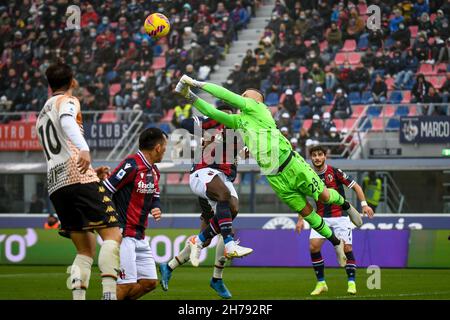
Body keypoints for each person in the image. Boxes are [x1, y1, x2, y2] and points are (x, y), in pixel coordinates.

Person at [175, 75, 366, 267]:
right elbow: (212, 112)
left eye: (245, 95)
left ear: (257, 100)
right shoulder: (240, 121)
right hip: (274, 176)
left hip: (292, 165)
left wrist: (197, 84)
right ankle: (335, 243)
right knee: (308, 213)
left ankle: (346, 205)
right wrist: (189, 96)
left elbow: (226, 95)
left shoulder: (258, 109)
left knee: (324, 197)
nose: (242, 96)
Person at [36, 62, 122, 300]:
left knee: (85, 250)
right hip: (78, 178)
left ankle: (78, 298)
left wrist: (92, 169)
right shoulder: (68, 101)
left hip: (56, 185)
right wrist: (84, 150)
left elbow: (61, 148)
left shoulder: (42, 114)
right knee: (113, 236)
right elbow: (66, 121)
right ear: (72, 81)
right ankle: (109, 295)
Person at [159, 105, 245, 299]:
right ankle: (217, 278)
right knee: (226, 227)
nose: (231, 118)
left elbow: (243, 151)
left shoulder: (237, 134)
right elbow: (185, 123)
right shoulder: (214, 125)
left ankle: (170, 265)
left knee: (208, 236)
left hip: (221, 180)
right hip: (207, 177)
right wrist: (210, 123)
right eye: (228, 115)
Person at [296, 145, 374, 296]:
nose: (317, 158)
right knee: (313, 248)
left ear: (325, 156)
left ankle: (351, 283)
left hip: (340, 217)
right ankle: (321, 283)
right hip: (320, 218)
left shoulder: (335, 172)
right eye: (314, 155)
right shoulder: (308, 174)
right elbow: (301, 200)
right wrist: (300, 219)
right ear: (311, 158)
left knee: (347, 249)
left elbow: (356, 186)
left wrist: (364, 205)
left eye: (320, 155)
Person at [102, 128, 167, 300]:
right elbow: (106, 190)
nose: (165, 152)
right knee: (126, 284)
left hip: (139, 235)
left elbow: (155, 196)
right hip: (124, 233)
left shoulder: (154, 171)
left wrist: (156, 206)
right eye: (165, 148)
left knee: (149, 282)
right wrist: (113, 226)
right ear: (158, 148)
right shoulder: (131, 165)